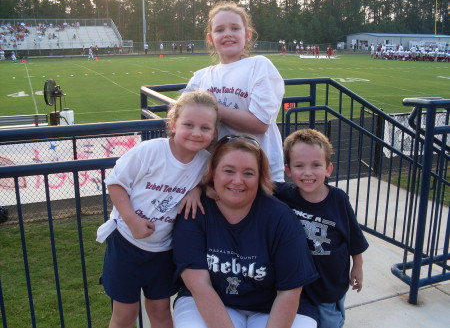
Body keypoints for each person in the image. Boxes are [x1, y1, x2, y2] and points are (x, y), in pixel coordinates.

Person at [96, 90, 219, 328]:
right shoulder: (150, 151)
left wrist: (198, 190)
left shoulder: (206, 163)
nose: (196, 132)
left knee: (160, 310)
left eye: (205, 128)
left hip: (164, 250)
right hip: (126, 243)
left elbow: (212, 187)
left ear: (214, 133)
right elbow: (115, 183)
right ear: (173, 124)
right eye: (188, 124)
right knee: (125, 313)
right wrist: (132, 220)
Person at [172, 134, 319, 328]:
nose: (238, 181)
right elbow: (199, 286)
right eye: (229, 171)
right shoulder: (195, 210)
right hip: (213, 301)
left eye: (249, 173)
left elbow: (289, 291)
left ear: (260, 177)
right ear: (213, 172)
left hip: (271, 305)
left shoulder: (279, 216)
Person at [274, 129, 369, 328]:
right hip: (299, 288)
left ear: (328, 169)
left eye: (316, 165)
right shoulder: (284, 194)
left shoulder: (338, 199)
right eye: (299, 166)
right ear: (288, 170)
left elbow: (353, 236)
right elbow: (255, 184)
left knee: (329, 323)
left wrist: (357, 266)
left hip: (329, 286)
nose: (308, 172)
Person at [184, 1, 285, 182]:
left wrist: (213, 107)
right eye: (220, 30)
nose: (227, 34)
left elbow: (260, 123)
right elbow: (182, 116)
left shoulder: (259, 66)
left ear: (247, 35)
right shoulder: (201, 77)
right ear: (210, 38)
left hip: (262, 172)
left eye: (235, 28)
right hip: (220, 172)